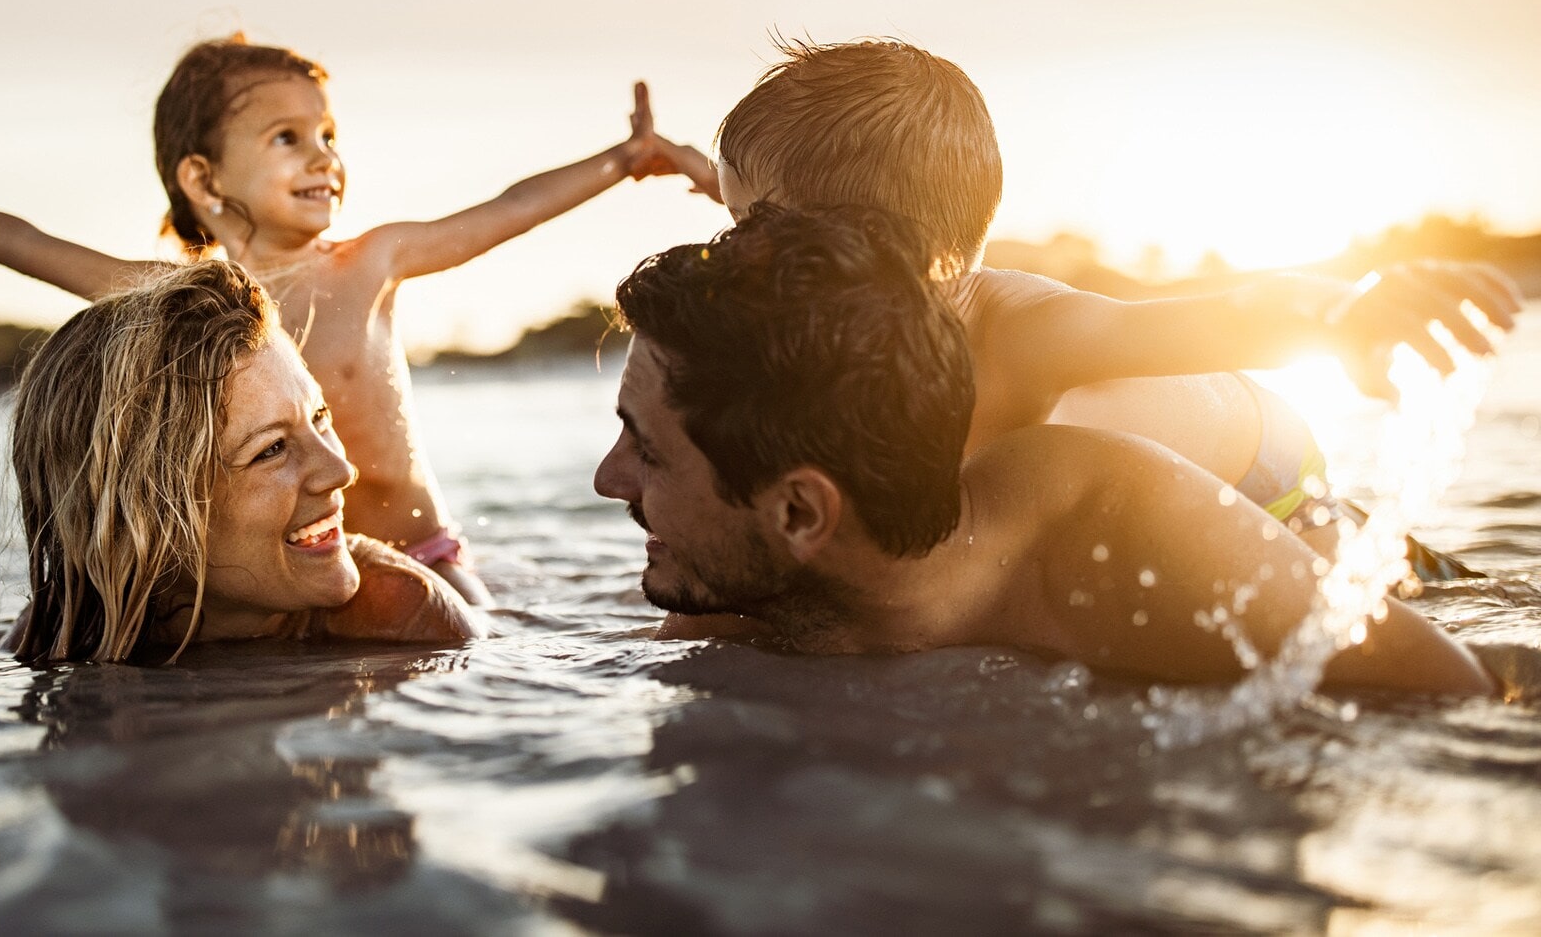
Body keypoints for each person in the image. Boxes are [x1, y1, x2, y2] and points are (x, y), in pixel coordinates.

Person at [0, 35, 690, 605]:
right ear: (204, 180)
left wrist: (625, 158)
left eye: (327, 133)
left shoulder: (371, 261)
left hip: (425, 559)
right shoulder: (178, 302)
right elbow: (22, 242)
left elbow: (506, 209)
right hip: (299, 578)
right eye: (289, 138)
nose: (325, 155)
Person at [645, 37, 1521, 572]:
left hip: (1273, 485)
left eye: (749, 221)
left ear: (871, 244)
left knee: (1358, 623)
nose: (734, 252)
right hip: (1158, 482)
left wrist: (1344, 314)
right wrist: (705, 172)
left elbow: (1228, 311)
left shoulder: (1013, 327)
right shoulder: (851, 321)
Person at [593, 205, 1495, 695]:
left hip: (1273, 475)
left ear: (800, 512)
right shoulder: (740, 586)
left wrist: (1344, 310)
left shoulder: (1121, 543)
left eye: (649, 451)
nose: (607, 479)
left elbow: (1450, 693)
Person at [8, 258, 482, 663]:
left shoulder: (404, 616)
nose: (341, 471)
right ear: (146, 513)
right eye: (272, 448)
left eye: (320, 418)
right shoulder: (68, 629)